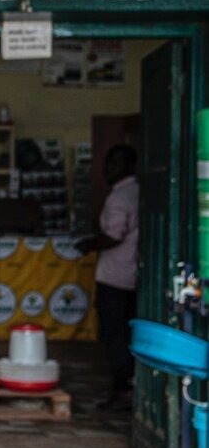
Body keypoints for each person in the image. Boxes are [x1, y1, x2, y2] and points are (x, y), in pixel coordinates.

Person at [75, 144, 139, 411]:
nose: (108, 169)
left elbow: (113, 235)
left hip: (114, 276)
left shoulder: (119, 198)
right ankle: (133, 386)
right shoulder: (138, 191)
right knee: (129, 333)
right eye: (108, 162)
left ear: (129, 166)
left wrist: (89, 244)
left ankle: (122, 389)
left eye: (115, 163)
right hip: (134, 274)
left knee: (114, 336)